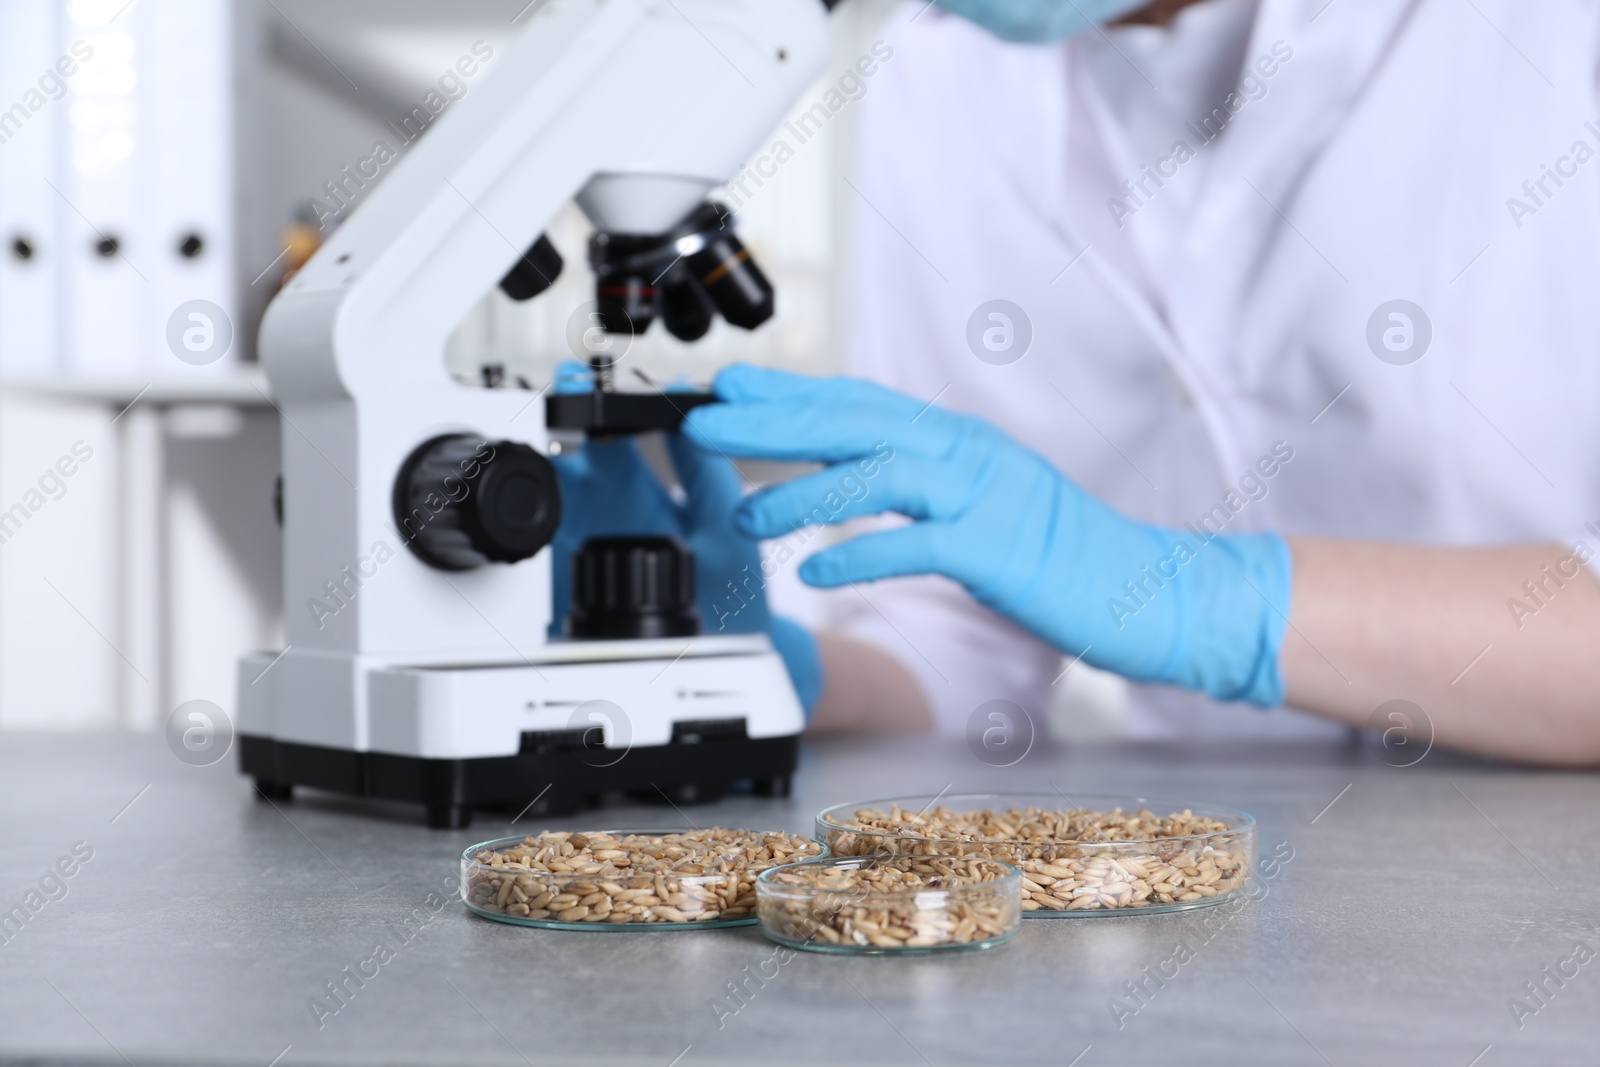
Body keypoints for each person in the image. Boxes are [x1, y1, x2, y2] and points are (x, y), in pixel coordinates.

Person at [559, 0, 1600, 766]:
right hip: (1215, 894)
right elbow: (963, 639)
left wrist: (1208, 604)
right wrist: (766, 677)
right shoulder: (938, 65)